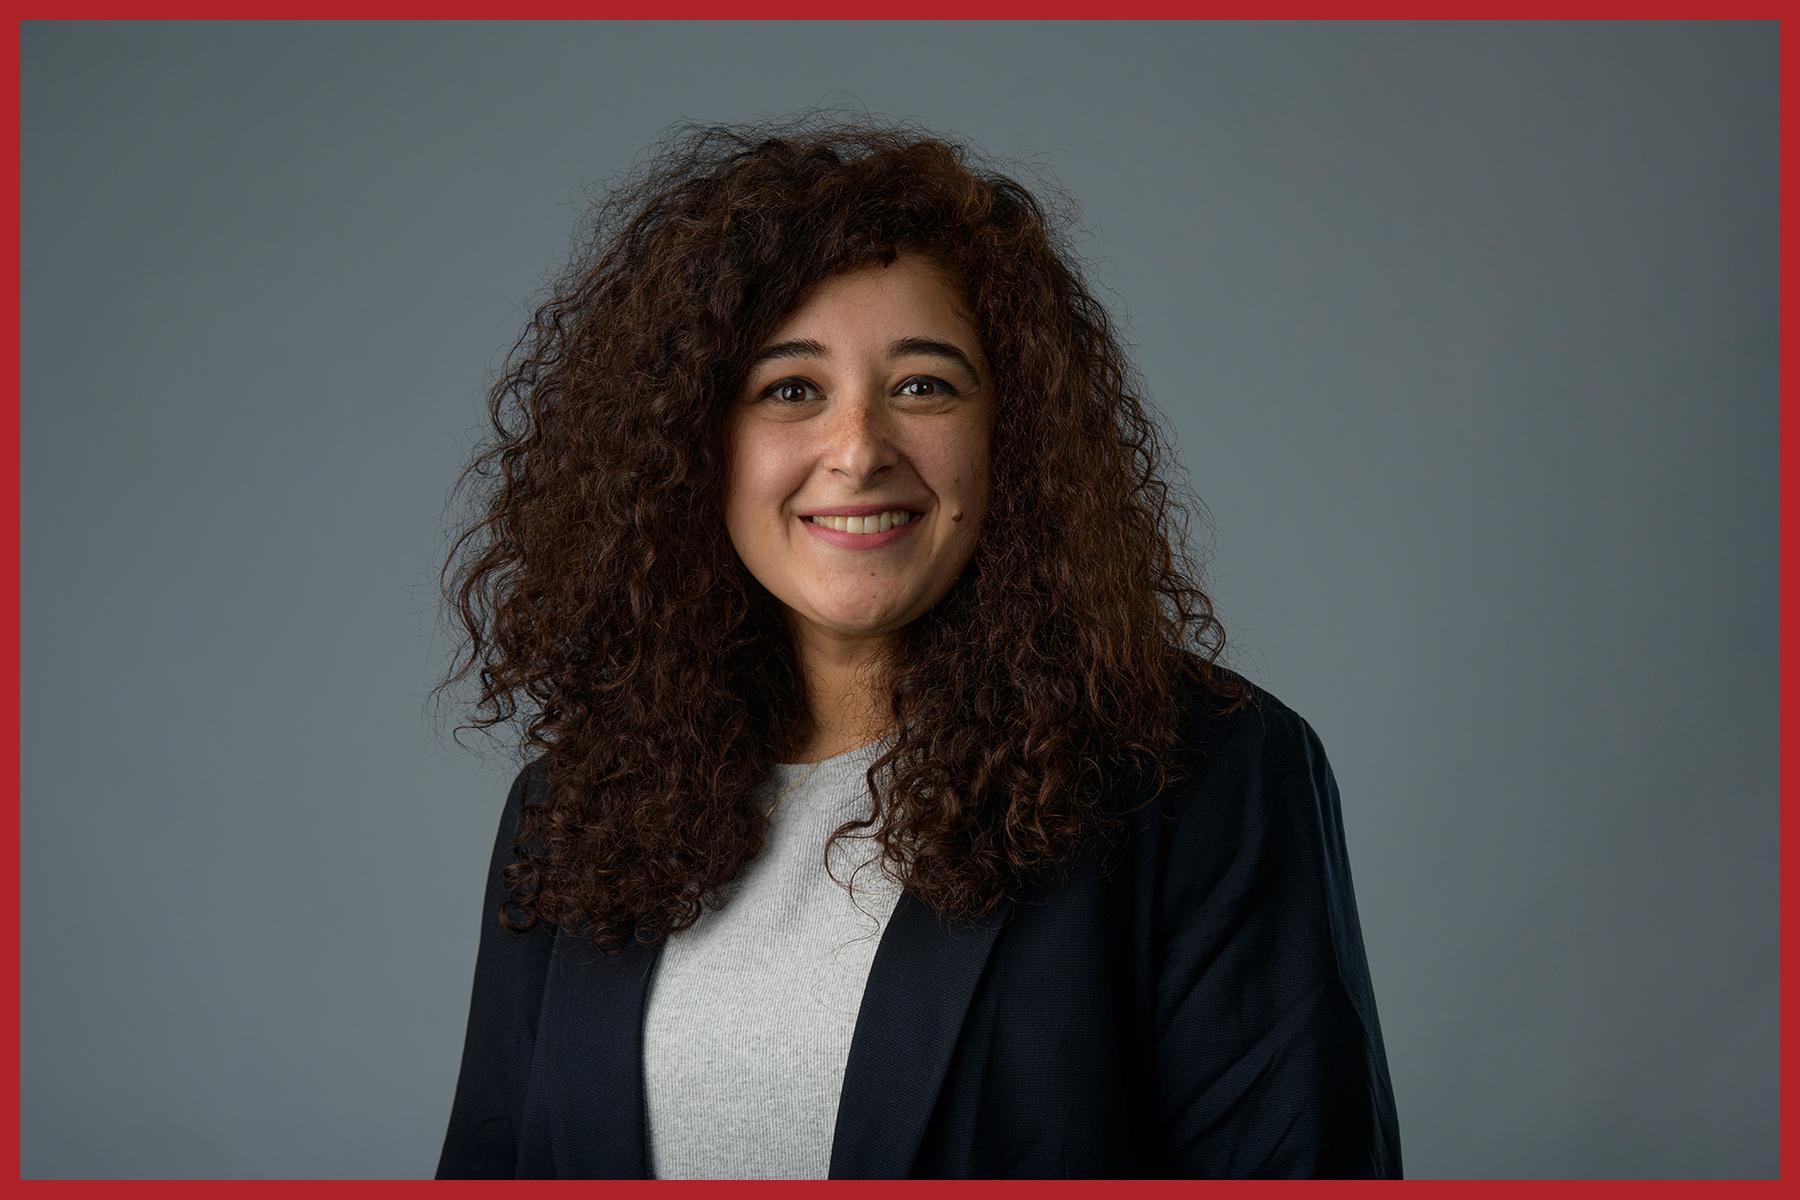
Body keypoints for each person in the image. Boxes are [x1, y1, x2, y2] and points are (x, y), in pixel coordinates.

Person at [429, 113, 1402, 1180]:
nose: (858, 449)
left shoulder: (1205, 775)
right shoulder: (575, 811)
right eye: (790, 389)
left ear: (1012, 438)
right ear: (690, 445)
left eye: (924, 385)